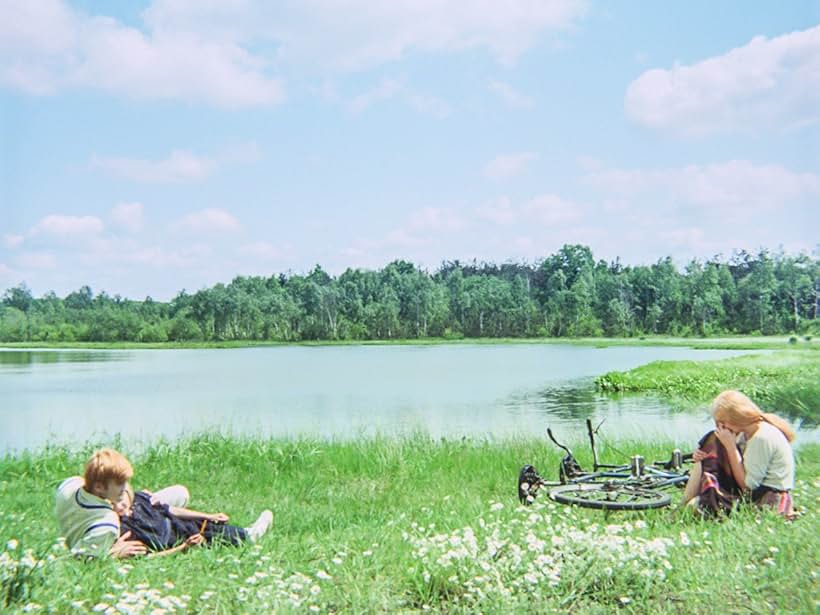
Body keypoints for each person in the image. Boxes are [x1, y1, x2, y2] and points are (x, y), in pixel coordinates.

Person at [54, 448, 191, 558]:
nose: (125, 487)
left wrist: (126, 498)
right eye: (120, 484)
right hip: (120, 526)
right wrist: (111, 554)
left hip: (112, 511)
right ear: (99, 487)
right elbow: (81, 558)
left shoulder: (69, 486)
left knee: (180, 493)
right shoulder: (107, 525)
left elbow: (127, 489)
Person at [693, 390, 796, 517]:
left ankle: (687, 506)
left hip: (767, 498)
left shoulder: (761, 437)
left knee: (696, 504)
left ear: (735, 418)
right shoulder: (746, 432)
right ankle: (686, 503)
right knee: (712, 441)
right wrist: (703, 455)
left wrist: (731, 447)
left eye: (722, 422)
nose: (721, 427)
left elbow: (748, 486)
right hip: (756, 493)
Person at [113, 484, 272, 556]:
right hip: (173, 539)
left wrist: (207, 515)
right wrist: (183, 548)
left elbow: (170, 510)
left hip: (176, 523)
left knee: (208, 525)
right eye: (113, 505)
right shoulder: (124, 529)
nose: (119, 506)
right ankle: (249, 536)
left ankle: (246, 533)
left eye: (121, 500)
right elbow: (146, 556)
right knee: (209, 536)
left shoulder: (138, 500)